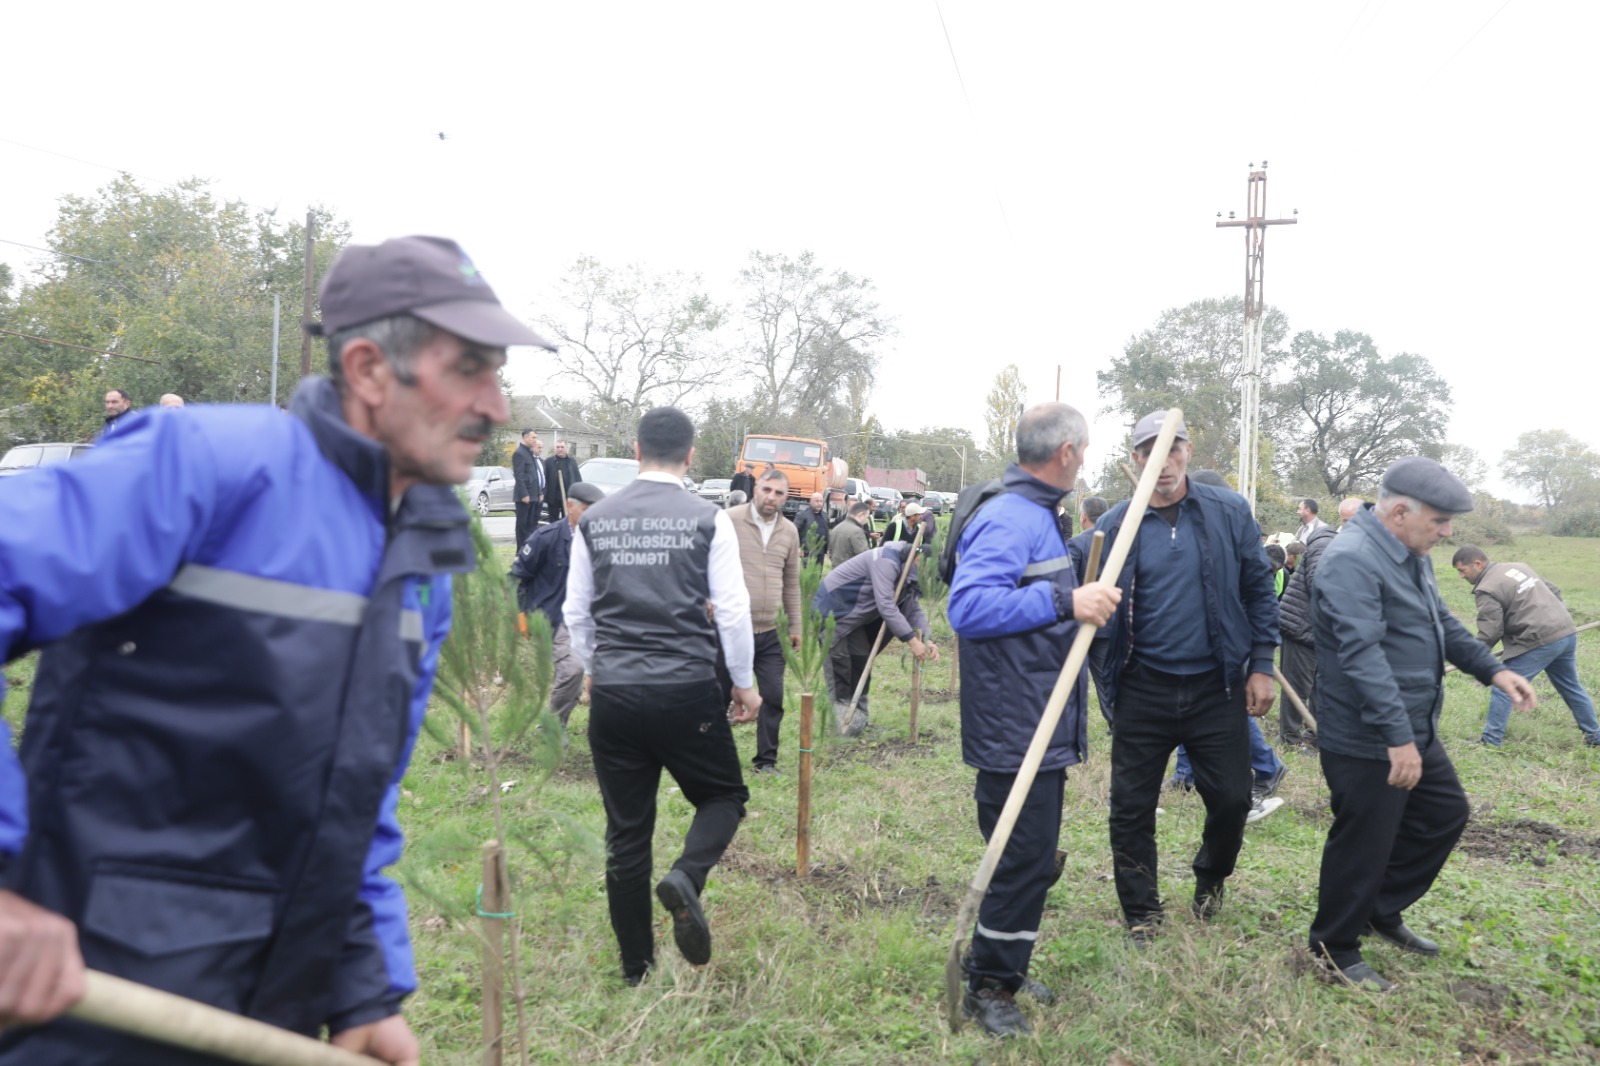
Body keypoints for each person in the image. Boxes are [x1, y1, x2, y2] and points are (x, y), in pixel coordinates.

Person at [0, 233, 554, 1065]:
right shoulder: (203, 466)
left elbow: (357, 796)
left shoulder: (421, 555)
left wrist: (364, 989)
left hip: (269, 1011)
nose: (498, 407)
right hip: (90, 999)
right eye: (470, 370)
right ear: (368, 368)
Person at [1308, 459, 1535, 992]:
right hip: (1367, 733)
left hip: (1412, 723)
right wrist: (1397, 739)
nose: (1448, 532)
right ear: (1400, 512)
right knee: (1364, 840)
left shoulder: (1410, 552)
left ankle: (1377, 908)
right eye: (1439, 520)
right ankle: (1334, 947)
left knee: (1443, 813)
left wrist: (1493, 670)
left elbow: (1443, 624)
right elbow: (1362, 656)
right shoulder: (1350, 560)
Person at [563, 406, 762, 986]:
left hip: (616, 694)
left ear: (636, 450)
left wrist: (595, 669)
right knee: (723, 795)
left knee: (626, 833)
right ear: (691, 455)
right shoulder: (709, 518)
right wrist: (744, 682)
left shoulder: (596, 518)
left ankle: (636, 970)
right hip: (685, 690)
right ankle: (686, 877)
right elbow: (732, 610)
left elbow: (577, 612)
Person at [947, 403, 1119, 1037]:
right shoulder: (1010, 517)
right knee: (1021, 859)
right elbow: (968, 608)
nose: (1085, 460)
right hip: (1013, 723)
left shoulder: (1037, 513)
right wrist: (1066, 600)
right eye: (1086, 450)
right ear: (1067, 451)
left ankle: (1003, 967)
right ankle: (988, 987)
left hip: (1034, 714)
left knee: (1030, 856)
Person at [1093, 411, 1280, 942]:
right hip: (1142, 686)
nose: (1164, 461)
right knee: (1130, 807)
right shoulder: (1117, 525)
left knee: (1233, 800)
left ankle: (1210, 878)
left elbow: (1258, 589)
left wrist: (1262, 665)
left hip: (1215, 687)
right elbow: (1084, 595)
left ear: (1188, 452)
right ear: (1136, 460)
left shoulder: (1228, 512)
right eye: (1150, 451)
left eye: (1173, 448)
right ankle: (1142, 913)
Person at [1451, 545, 1600, 748]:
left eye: (1462, 570)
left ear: (1477, 564)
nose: (1461, 576)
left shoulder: (1486, 588)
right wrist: (1555, 621)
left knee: (1504, 688)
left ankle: (1491, 741)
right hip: (1565, 633)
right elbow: (1555, 591)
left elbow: (1491, 631)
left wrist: (1472, 657)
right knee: (1570, 686)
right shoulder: (1519, 567)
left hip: (1537, 641)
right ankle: (1595, 736)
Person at [813, 540, 938, 737]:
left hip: (854, 618)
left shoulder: (908, 569)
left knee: (861, 659)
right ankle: (840, 730)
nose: (928, 576)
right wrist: (912, 641)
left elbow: (912, 607)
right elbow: (886, 605)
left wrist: (927, 639)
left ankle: (858, 722)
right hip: (833, 611)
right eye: (927, 570)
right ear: (918, 559)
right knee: (840, 666)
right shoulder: (886, 561)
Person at [509, 481, 607, 732]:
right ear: (570, 507)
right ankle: (553, 728)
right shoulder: (546, 538)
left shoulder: (602, 542)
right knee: (573, 669)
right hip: (554, 617)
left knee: (586, 675)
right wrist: (519, 613)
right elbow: (516, 577)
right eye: (588, 511)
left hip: (590, 618)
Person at [727, 469, 802, 773]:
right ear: (756, 489)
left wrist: (795, 626)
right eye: (767, 490)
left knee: (772, 696)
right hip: (732, 628)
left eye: (779, 493)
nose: (771, 497)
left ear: (786, 497)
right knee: (717, 694)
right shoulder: (729, 520)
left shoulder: (790, 532)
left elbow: (792, 582)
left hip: (772, 631)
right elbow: (705, 566)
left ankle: (766, 761)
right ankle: (712, 759)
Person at [1277, 517, 1337, 749]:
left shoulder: (1343, 547)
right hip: (1301, 627)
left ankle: (1315, 735)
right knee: (1296, 687)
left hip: (1321, 632)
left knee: (1322, 687)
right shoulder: (1326, 546)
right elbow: (1319, 584)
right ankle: (1289, 739)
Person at [1067, 494, 1115, 729]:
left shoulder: (1076, 545)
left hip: (1080, 624)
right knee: (1107, 681)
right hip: (1109, 622)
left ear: (1083, 516)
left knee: (1067, 679)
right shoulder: (1119, 543)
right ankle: (1116, 723)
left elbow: (1068, 583)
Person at [512, 427, 546, 547]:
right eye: (533, 437)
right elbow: (519, 476)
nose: (535, 440)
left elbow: (535, 475)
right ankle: (520, 551)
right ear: (525, 438)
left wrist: (539, 492)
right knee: (522, 525)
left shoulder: (530, 453)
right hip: (524, 497)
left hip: (534, 495)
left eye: (536, 437)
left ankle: (529, 550)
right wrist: (524, 494)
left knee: (532, 525)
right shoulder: (519, 453)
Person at [544, 439, 583, 523]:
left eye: (562, 447)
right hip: (553, 497)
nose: (560, 449)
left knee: (567, 520)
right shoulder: (549, 462)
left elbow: (577, 479)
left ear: (566, 448)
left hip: (567, 497)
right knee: (553, 521)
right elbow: (545, 479)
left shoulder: (572, 462)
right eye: (558, 447)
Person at [829, 500, 874, 566]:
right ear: (861, 515)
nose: (866, 521)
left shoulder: (836, 528)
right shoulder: (857, 531)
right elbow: (864, 557)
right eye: (867, 517)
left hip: (837, 569)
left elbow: (831, 553)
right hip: (851, 570)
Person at [791, 491, 830, 560]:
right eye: (817, 501)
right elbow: (793, 531)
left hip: (820, 551)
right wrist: (798, 547)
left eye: (821, 501)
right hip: (807, 551)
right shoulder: (802, 515)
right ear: (811, 502)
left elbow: (826, 532)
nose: (819, 503)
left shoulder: (824, 515)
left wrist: (828, 548)